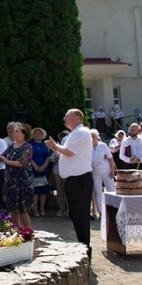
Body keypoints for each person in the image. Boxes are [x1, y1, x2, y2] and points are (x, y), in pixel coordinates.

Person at [45, 109, 94, 259]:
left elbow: (69, 152)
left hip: (81, 179)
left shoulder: (82, 132)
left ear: (78, 118)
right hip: (73, 180)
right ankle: (82, 244)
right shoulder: (72, 135)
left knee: (81, 214)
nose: (65, 119)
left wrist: (55, 145)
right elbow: (64, 155)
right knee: (74, 213)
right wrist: (54, 148)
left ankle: (85, 246)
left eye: (68, 117)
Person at [0, 122, 34, 227]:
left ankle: (28, 233)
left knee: (22, 210)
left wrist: (7, 161)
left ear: (24, 133)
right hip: (11, 181)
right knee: (13, 209)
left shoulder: (27, 147)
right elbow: (2, 156)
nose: (14, 133)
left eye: (17, 131)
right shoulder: (11, 147)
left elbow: (22, 162)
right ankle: (16, 232)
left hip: (22, 182)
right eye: (14, 131)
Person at [90, 129, 115, 218]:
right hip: (95, 172)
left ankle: (114, 209)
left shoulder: (103, 145)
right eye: (90, 136)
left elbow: (110, 158)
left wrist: (112, 170)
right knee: (98, 192)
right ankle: (101, 211)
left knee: (111, 189)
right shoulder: (87, 147)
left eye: (93, 136)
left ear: (97, 137)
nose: (92, 138)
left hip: (106, 170)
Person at [30, 127, 52, 217]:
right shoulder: (30, 145)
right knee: (35, 191)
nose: (37, 135)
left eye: (39, 133)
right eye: (35, 133)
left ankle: (42, 208)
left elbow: (48, 157)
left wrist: (44, 166)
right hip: (33, 170)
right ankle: (35, 210)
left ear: (42, 135)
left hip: (44, 170)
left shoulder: (45, 145)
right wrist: (35, 166)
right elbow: (29, 157)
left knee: (43, 191)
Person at [49, 130, 70, 217]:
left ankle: (69, 210)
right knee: (60, 191)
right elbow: (52, 158)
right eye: (62, 135)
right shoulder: (57, 146)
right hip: (57, 171)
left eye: (65, 135)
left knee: (68, 192)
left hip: (68, 171)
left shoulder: (68, 148)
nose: (63, 137)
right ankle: (62, 209)